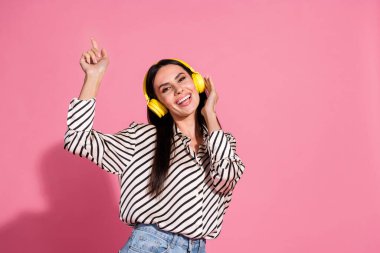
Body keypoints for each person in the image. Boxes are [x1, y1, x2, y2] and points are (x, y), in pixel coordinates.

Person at [64, 38, 246, 253]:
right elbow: (77, 138)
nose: (179, 90)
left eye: (182, 79)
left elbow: (225, 177)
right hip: (151, 246)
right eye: (166, 89)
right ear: (158, 104)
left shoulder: (221, 143)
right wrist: (93, 78)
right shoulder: (141, 139)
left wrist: (210, 113)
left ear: (197, 83)